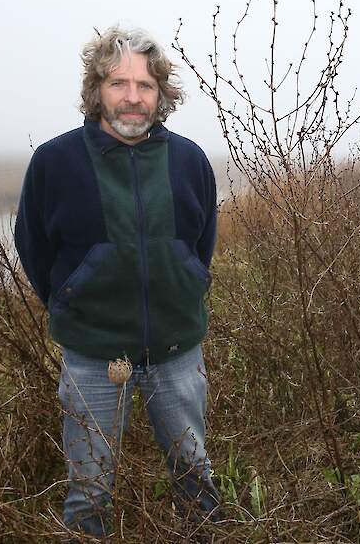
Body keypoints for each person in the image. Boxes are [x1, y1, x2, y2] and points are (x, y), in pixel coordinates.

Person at [13, 26, 221, 537]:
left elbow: (201, 244)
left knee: (195, 476)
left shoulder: (189, 160)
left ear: (161, 94)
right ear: (96, 90)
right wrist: (71, 298)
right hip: (93, 356)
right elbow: (34, 245)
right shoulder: (55, 162)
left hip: (176, 350)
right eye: (118, 83)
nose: (132, 97)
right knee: (89, 490)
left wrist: (186, 282)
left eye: (145, 85)